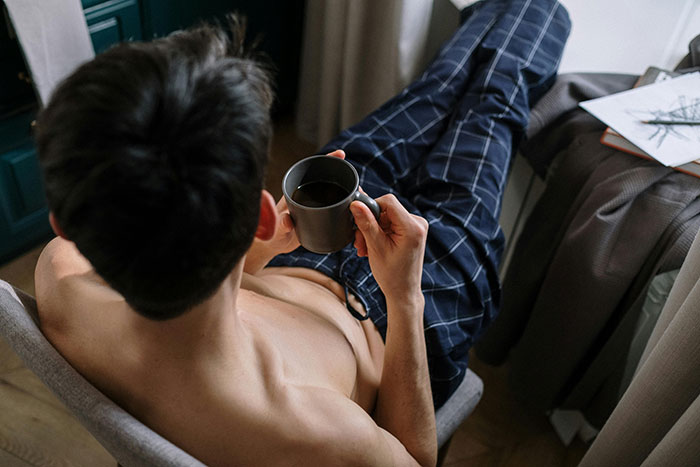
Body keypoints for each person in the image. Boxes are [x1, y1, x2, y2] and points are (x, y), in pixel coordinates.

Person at [34, 1, 570, 465]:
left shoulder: (62, 279)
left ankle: (512, 9)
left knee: (439, 91)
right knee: (489, 109)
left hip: (295, 255)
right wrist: (405, 295)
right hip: (410, 314)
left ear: (64, 226)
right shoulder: (312, 432)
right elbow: (415, 458)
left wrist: (260, 252)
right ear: (262, 214)